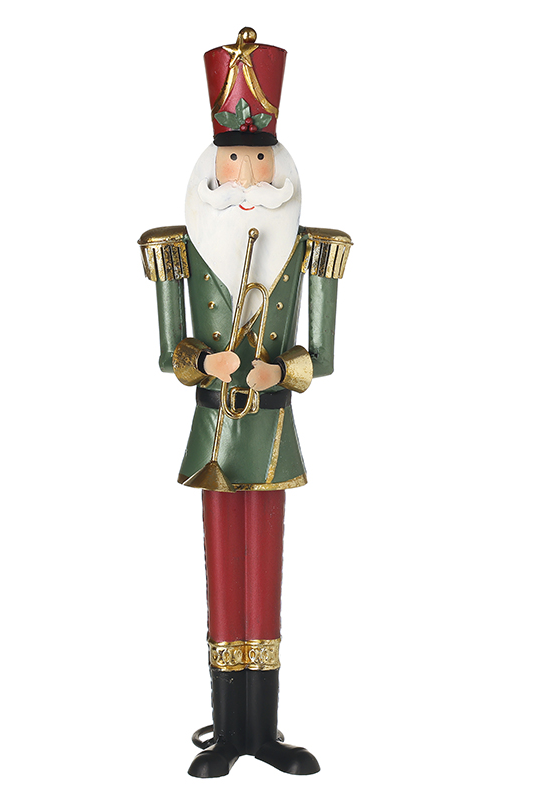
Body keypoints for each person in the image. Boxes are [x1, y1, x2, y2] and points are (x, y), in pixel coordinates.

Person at [139, 27, 351, 778]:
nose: (247, 175)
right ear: (213, 165)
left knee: (267, 573)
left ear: (277, 163)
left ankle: (264, 729)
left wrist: (280, 370)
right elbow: (169, 352)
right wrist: (206, 362)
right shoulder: (178, 245)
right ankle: (228, 729)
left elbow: (322, 356)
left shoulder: (311, 246)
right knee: (225, 571)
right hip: (213, 427)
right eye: (234, 160)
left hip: (271, 426)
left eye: (260, 159)